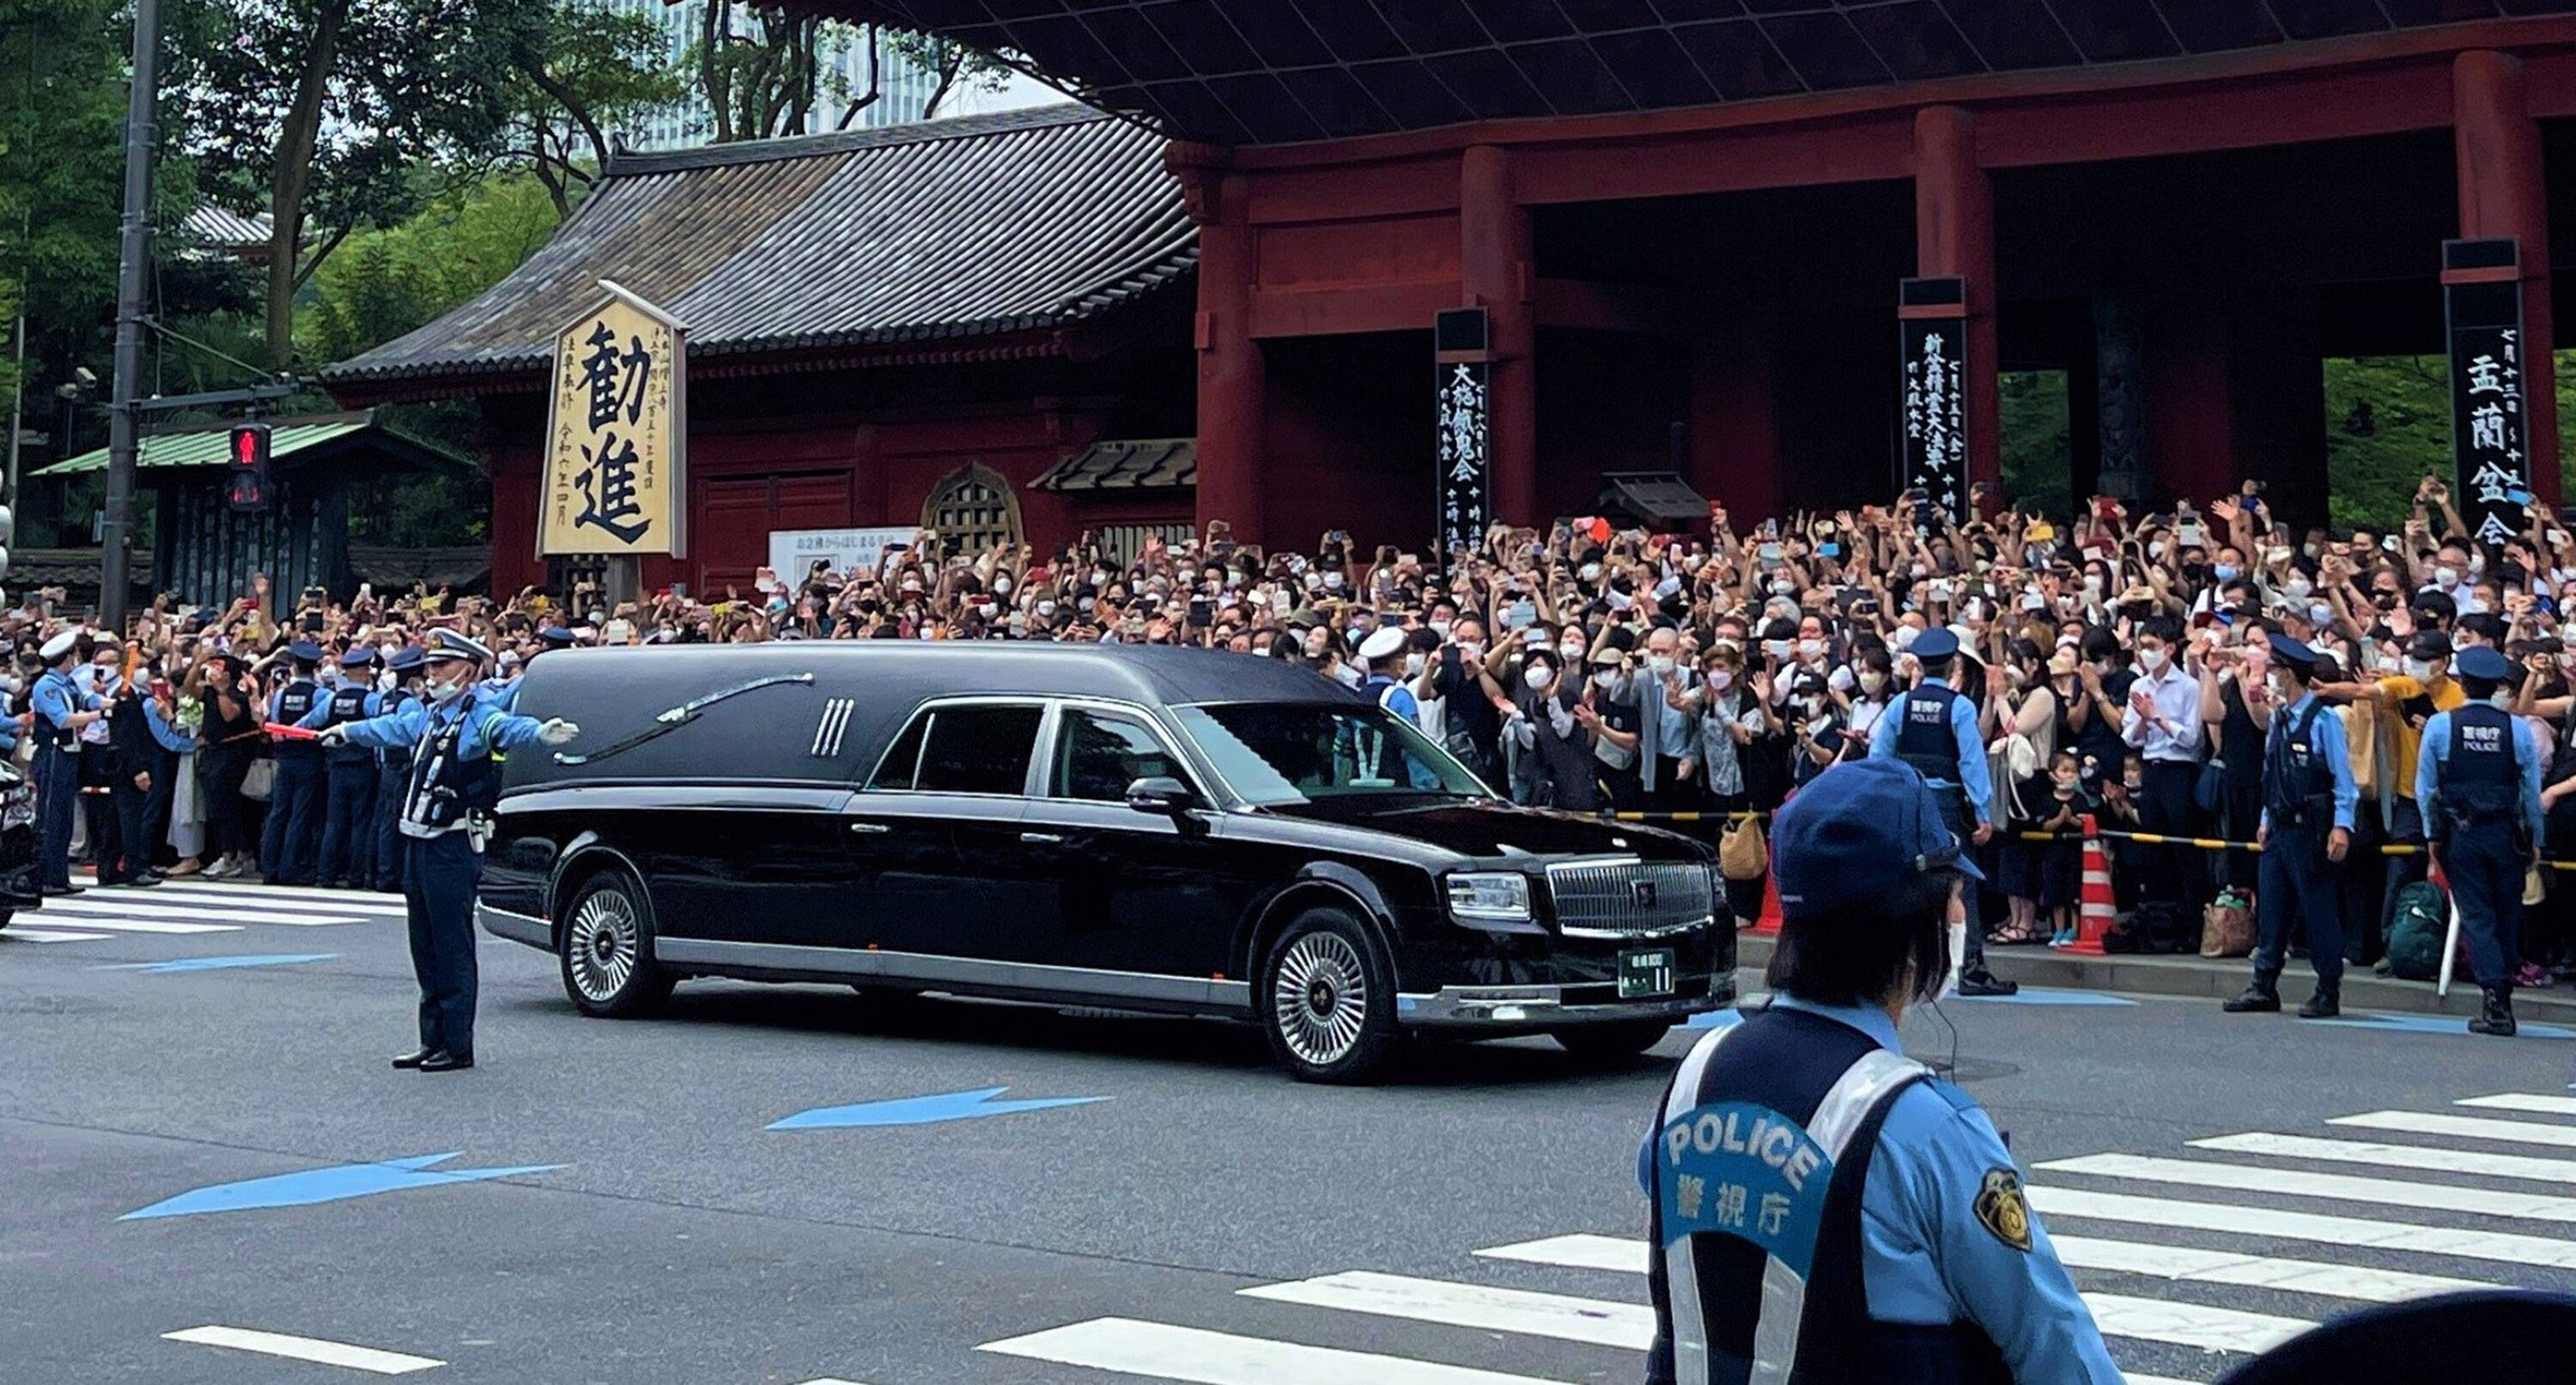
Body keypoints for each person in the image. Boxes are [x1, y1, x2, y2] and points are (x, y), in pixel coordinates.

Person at [1641, 757, 2121, 1385]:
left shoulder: (1696, 1075)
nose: (1959, 913)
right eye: (1953, 894)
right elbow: (2054, 1345)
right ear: (1911, 921)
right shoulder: (1923, 1126)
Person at [319, 631, 577, 1072]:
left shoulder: (479, 718)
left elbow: (507, 729)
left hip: (451, 844)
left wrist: (539, 733)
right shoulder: (430, 717)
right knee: (424, 945)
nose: (431, 673)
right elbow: (389, 729)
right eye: (431, 666)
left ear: (471, 672)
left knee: (451, 944)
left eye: (442, 666)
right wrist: (347, 731)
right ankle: (431, 1038)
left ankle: (457, 1044)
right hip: (418, 841)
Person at [1871, 628, 2015, 996]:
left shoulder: (1900, 705)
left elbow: (1879, 757)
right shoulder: (1960, 707)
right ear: (1952, 664)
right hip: (1948, 805)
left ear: (1919, 664)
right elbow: (1971, 762)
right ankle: (1971, 967)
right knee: (1960, 881)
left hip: (1907, 800)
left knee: (1909, 879)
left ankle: (1905, 963)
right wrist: (1983, 811)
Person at [2225, 634, 2357, 1019]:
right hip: (2281, 827)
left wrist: (2342, 827)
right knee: (2273, 908)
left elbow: (2342, 779)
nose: (2270, 677)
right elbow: (2272, 774)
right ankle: (2263, 983)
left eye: (2276, 670)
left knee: (2318, 910)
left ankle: (2327, 988)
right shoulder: (2281, 719)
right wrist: (2266, 819)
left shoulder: (2324, 720)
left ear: (2290, 675)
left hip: (2311, 829)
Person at [2415, 645, 2545, 1036]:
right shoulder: (2516, 729)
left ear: (2462, 682)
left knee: (2477, 915)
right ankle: (2503, 995)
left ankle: (2495, 1000)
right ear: (2497, 688)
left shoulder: (2441, 726)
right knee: (2506, 913)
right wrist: (2536, 838)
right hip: (2506, 834)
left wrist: (2432, 835)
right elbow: (2530, 792)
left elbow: (2426, 789)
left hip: (2462, 832)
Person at [30, 628, 104, 896]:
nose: (75, 660)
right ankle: (46, 875)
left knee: (65, 818)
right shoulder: (47, 687)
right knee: (51, 816)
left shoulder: (66, 683)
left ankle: (59, 875)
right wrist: (98, 715)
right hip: (53, 753)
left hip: (69, 753)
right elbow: (63, 719)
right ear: (64, 657)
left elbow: (85, 697)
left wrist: (110, 702)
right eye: (72, 655)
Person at [308, 645, 382, 889]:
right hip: (363, 765)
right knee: (360, 822)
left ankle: (326, 875)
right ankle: (355, 876)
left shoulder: (332, 699)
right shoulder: (372, 700)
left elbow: (310, 724)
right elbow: (381, 730)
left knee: (334, 822)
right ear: (364, 672)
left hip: (336, 766)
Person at [261, 640, 329, 885]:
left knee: (279, 812)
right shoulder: (321, 695)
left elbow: (276, 723)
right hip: (309, 757)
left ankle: (269, 867)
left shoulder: (281, 694)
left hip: (285, 757)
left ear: (294, 667)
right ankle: (291, 867)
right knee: (300, 814)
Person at [371, 646, 427, 893]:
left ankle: (382, 872)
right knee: (400, 821)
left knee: (385, 821)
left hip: (386, 765)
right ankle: (394, 874)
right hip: (403, 767)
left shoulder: (386, 700)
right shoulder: (411, 704)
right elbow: (415, 739)